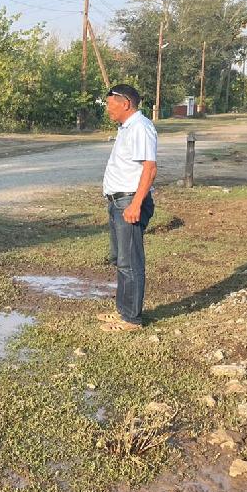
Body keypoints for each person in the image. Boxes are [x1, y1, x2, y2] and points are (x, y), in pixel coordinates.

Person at [99, 83, 158, 331]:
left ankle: (132, 319)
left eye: (110, 104)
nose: (108, 109)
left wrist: (136, 204)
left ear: (125, 103)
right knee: (121, 260)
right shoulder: (127, 127)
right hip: (118, 201)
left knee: (130, 262)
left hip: (130, 203)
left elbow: (150, 168)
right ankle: (123, 311)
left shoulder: (141, 128)